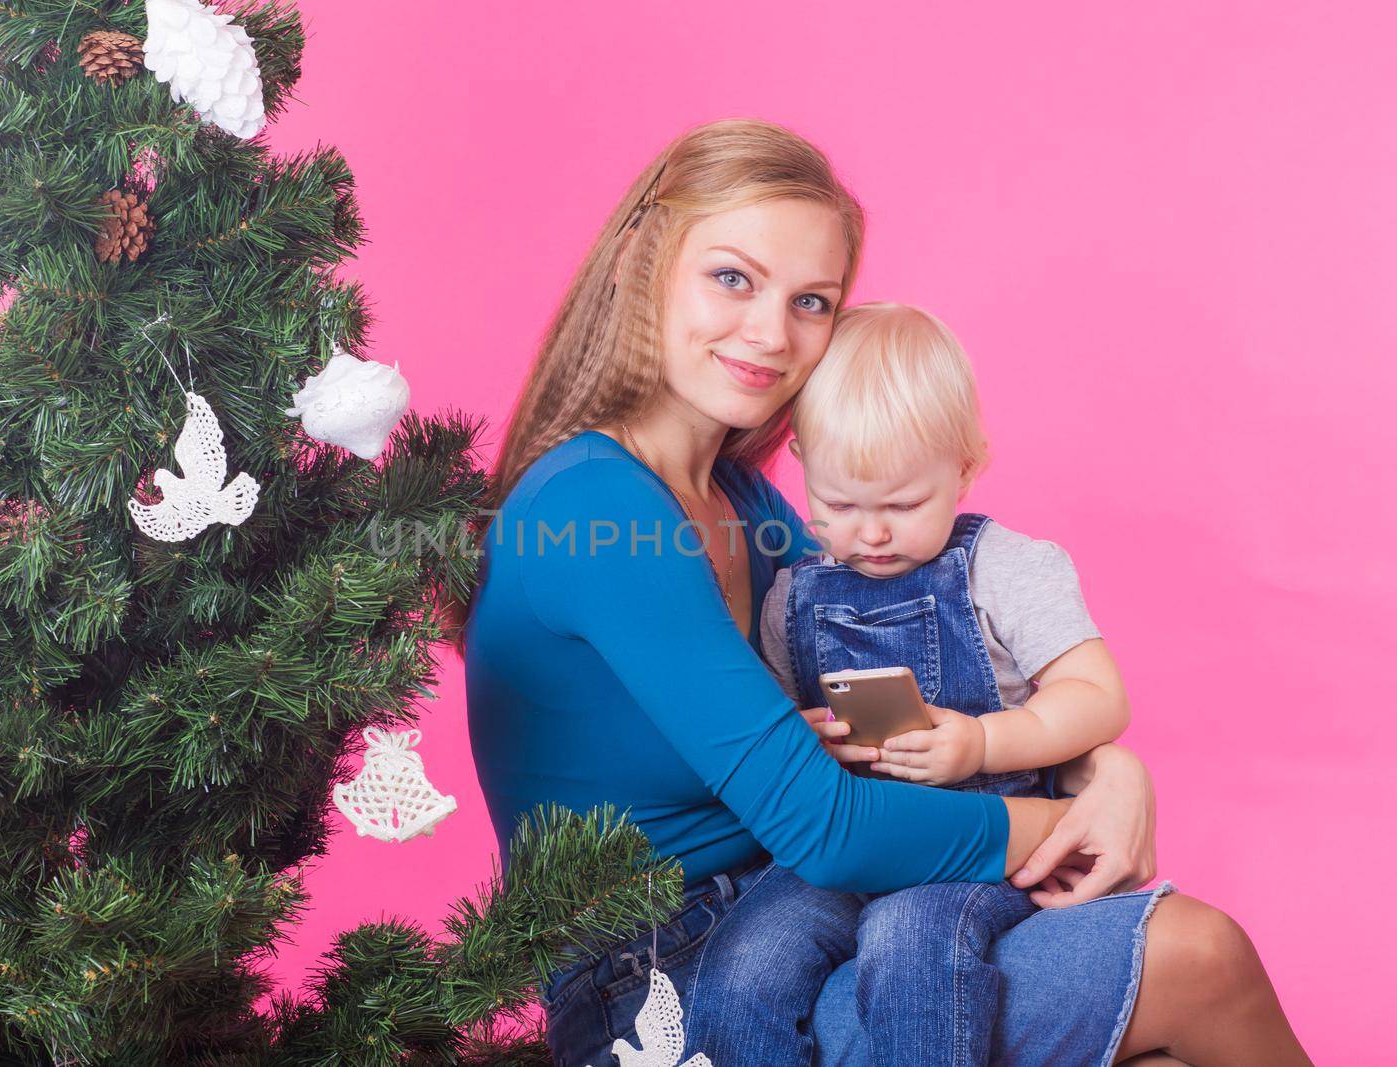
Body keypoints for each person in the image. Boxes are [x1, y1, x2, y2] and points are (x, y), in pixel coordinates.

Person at [457, 117, 1310, 1066]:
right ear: (637, 264)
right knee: (1199, 956)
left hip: (800, 913)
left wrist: (1108, 771)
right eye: (732, 277)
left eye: (812, 299)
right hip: (668, 983)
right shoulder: (594, 509)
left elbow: (875, 700)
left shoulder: (743, 500)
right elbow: (827, 824)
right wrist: (1064, 821)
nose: (772, 333)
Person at [758, 300, 1133, 1066]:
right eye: (838, 504)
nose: (871, 532)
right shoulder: (791, 595)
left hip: (980, 845)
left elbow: (1099, 696)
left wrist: (984, 740)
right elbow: (769, 726)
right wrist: (803, 736)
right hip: (851, 846)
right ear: (800, 462)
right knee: (746, 966)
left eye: (903, 504)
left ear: (965, 467)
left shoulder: (1004, 569)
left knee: (908, 943)